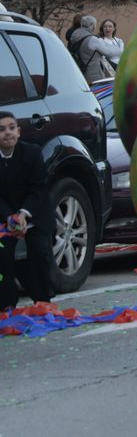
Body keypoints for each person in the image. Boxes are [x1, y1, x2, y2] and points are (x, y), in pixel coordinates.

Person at [0, 111, 54, 310]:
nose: (8, 133)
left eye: (11, 128)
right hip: (5, 217)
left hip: (32, 213)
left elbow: (38, 188)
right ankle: (6, 303)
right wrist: (10, 217)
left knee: (39, 250)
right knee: (3, 251)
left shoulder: (32, 153)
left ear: (19, 131)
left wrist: (23, 214)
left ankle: (42, 300)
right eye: (2, 129)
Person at [80, 18, 124, 82]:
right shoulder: (100, 41)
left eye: (110, 26)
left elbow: (122, 54)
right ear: (102, 29)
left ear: (114, 28)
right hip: (109, 70)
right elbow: (104, 57)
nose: (107, 28)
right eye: (105, 27)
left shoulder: (119, 41)